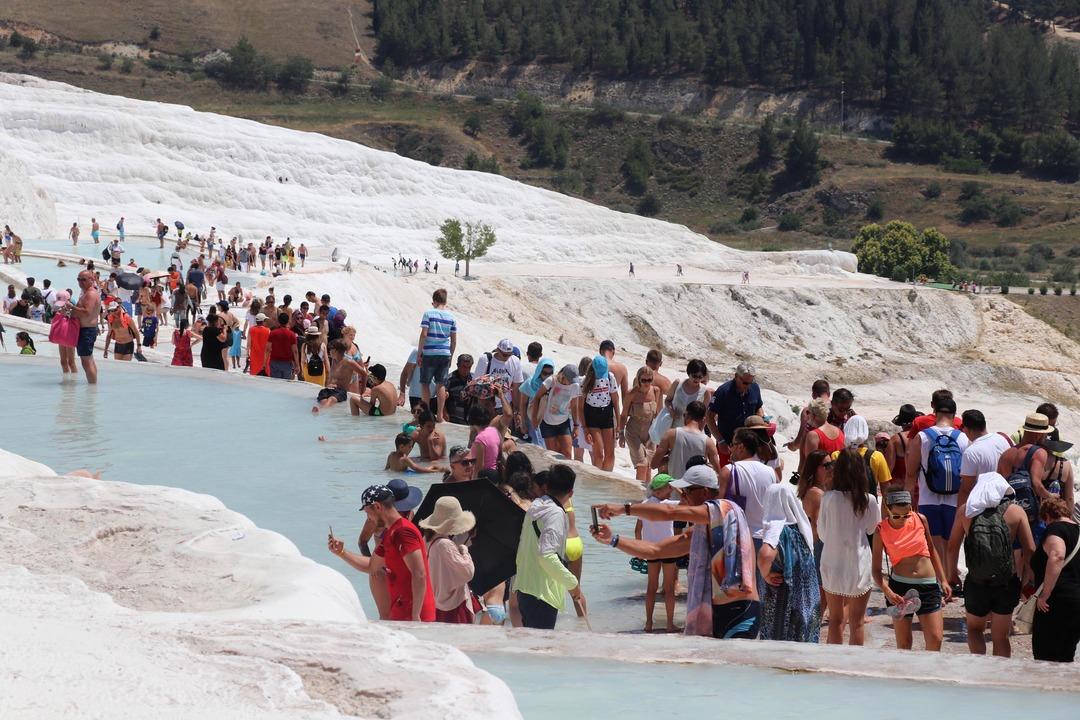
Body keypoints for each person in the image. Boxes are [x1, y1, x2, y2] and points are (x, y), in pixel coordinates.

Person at [595, 464, 760, 639]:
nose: (683, 497)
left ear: (704, 492)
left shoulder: (724, 509)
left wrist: (624, 509)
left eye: (686, 491)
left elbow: (669, 512)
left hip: (741, 611)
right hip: (715, 612)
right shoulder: (701, 532)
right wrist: (612, 540)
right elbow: (655, 550)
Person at [955, 473, 1035, 657]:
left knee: (975, 630)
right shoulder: (1016, 511)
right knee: (1001, 637)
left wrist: (950, 574)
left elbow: (952, 547)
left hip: (976, 581)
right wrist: (1027, 579)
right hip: (1006, 581)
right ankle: (999, 674)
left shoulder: (965, 511)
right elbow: (1030, 549)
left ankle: (980, 668)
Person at [330, 484, 435, 622]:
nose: (369, 518)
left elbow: (419, 574)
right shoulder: (391, 533)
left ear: (378, 507)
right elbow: (372, 566)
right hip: (403, 610)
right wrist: (342, 552)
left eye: (368, 512)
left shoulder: (403, 532)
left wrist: (416, 615)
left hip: (414, 616)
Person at [872, 490, 951, 651]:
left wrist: (943, 579)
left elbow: (932, 549)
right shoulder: (881, 530)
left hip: (928, 585)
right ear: (887, 509)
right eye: (896, 516)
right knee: (904, 644)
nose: (902, 519)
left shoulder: (921, 519)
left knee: (935, 639)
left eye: (906, 515)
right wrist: (887, 592)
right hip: (899, 589)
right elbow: (876, 570)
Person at [905, 397, 969, 590]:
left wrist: (907, 501)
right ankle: (950, 577)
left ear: (935, 413)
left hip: (928, 498)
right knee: (951, 542)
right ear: (954, 414)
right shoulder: (963, 438)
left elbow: (911, 473)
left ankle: (939, 582)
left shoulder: (923, 437)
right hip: (954, 499)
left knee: (933, 542)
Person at [818, 449, 880, 645]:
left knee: (835, 620)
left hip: (832, 562)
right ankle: (854, 662)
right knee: (857, 622)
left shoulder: (828, 498)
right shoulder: (869, 500)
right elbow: (872, 529)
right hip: (859, 563)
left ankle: (833, 662)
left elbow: (822, 534)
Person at [513, 464, 583, 630]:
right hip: (542, 594)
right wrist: (572, 584)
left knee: (530, 643)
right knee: (541, 644)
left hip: (525, 588)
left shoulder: (535, 506)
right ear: (571, 493)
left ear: (547, 486)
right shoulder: (555, 513)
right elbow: (547, 556)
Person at [758, 482, 821, 642]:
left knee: (780, 650)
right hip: (806, 602)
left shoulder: (778, 528)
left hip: (784, 604)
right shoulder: (800, 529)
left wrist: (765, 574)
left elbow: (765, 555)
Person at [1031, 496, 1080, 662]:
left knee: (1045, 657)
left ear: (1047, 515)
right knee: (1066, 657)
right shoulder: (1078, 531)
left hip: (1055, 602)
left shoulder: (1055, 529)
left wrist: (1045, 594)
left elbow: (1057, 556)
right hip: (1076, 602)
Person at [419, 497, 477, 624]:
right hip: (452, 606)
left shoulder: (426, 539)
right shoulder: (445, 544)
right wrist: (464, 551)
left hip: (434, 602)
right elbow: (468, 572)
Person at [997, 413, 1053, 543]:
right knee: (1030, 551)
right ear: (1039, 434)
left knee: (1012, 550)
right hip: (1029, 514)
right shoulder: (1039, 452)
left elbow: (999, 484)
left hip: (1008, 511)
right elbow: (1036, 484)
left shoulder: (1006, 454)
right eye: (1045, 434)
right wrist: (1051, 496)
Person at [635, 474, 680, 633]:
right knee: (669, 588)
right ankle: (669, 624)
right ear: (662, 489)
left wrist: (639, 550)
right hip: (668, 549)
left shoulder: (644, 505)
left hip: (650, 550)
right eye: (669, 487)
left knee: (651, 587)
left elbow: (637, 530)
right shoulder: (670, 505)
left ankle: (648, 623)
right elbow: (689, 502)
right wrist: (679, 489)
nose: (671, 490)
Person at [706, 362, 765, 467]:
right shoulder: (723, 392)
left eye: (751, 382)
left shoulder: (754, 388)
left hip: (751, 444)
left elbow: (758, 408)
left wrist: (761, 420)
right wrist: (720, 441)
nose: (748, 386)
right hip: (729, 444)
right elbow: (709, 417)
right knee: (728, 473)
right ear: (736, 376)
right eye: (745, 383)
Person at [652, 400, 719, 479]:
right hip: (695, 486)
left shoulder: (670, 434)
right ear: (704, 419)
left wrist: (670, 457)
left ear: (686, 415)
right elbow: (718, 473)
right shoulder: (708, 442)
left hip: (675, 485)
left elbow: (654, 464)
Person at [619, 365, 662, 483]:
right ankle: (637, 492)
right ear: (638, 379)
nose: (647, 383)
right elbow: (624, 415)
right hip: (633, 432)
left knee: (649, 466)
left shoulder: (656, 391)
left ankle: (645, 492)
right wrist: (621, 433)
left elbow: (658, 414)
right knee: (641, 465)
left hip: (650, 434)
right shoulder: (631, 393)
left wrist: (660, 435)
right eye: (644, 380)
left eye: (649, 380)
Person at [416, 288, 457, 409]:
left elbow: (424, 335)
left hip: (429, 353)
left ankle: (426, 412)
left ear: (434, 301)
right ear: (445, 301)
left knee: (425, 383)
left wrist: (419, 354)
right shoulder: (452, 317)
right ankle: (439, 415)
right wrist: (451, 356)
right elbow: (454, 340)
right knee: (441, 384)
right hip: (445, 353)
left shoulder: (428, 314)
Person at [581, 354, 622, 472]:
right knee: (598, 454)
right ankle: (597, 477)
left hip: (607, 414)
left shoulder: (610, 377)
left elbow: (616, 401)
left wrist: (618, 425)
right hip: (592, 415)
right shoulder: (586, 381)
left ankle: (607, 477)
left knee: (610, 453)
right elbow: (580, 407)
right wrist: (585, 428)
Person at [832, 415, 890, 497]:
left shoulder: (836, 455)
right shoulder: (876, 456)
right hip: (868, 501)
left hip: (842, 501)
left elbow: (831, 483)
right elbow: (885, 486)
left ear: (846, 431)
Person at [474, 339, 525, 425]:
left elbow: (517, 388)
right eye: (505, 355)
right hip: (486, 405)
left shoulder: (515, 361)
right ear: (498, 350)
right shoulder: (485, 359)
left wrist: (517, 411)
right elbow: (476, 383)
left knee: (503, 432)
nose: (507, 357)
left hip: (505, 406)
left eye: (509, 354)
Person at [313, 340, 365, 412]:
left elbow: (364, 373)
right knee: (323, 398)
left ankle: (320, 410)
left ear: (335, 351)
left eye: (331, 350)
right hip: (329, 389)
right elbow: (332, 377)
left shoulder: (348, 362)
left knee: (331, 399)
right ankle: (321, 410)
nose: (329, 351)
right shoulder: (334, 360)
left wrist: (362, 391)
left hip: (341, 391)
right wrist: (328, 385)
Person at [68, 271, 101, 383]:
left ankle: (92, 387)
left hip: (86, 331)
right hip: (86, 330)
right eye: (79, 279)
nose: (80, 282)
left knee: (86, 361)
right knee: (89, 359)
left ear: (92, 279)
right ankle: (93, 385)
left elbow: (87, 312)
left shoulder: (90, 294)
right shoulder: (87, 293)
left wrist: (72, 307)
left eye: (84, 279)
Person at [799, 398, 845, 475]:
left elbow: (810, 465)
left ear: (814, 416)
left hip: (821, 479)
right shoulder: (839, 432)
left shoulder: (813, 435)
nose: (808, 415)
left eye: (808, 413)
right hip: (837, 477)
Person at [665, 358, 712, 429]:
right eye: (694, 376)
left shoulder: (705, 392)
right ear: (688, 373)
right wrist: (671, 410)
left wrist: (699, 431)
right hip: (672, 426)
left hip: (690, 430)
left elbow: (703, 416)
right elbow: (667, 400)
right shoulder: (677, 383)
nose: (697, 379)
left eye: (700, 377)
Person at [786, 380, 831, 452]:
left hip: (815, 454)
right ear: (829, 393)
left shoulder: (808, 411)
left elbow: (799, 442)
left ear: (813, 395)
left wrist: (791, 446)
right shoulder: (839, 408)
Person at [885, 404, 919, 493]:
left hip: (899, 488)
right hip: (918, 487)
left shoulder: (895, 440)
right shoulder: (921, 437)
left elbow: (888, 469)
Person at [438, 354, 475, 424]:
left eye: (469, 367)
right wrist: (444, 412)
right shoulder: (449, 379)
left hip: (468, 420)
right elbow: (441, 397)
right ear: (458, 365)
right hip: (452, 419)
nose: (466, 370)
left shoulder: (474, 379)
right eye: (464, 367)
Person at [265, 312, 299, 380]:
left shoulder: (273, 333)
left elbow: (268, 349)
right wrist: (297, 365)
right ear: (288, 321)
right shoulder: (292, 334)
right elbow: (295, 351)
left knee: (275, 383)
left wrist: (265, 363)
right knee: (285, 384)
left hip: (274, 362)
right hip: (287, 363)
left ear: (278, 321)